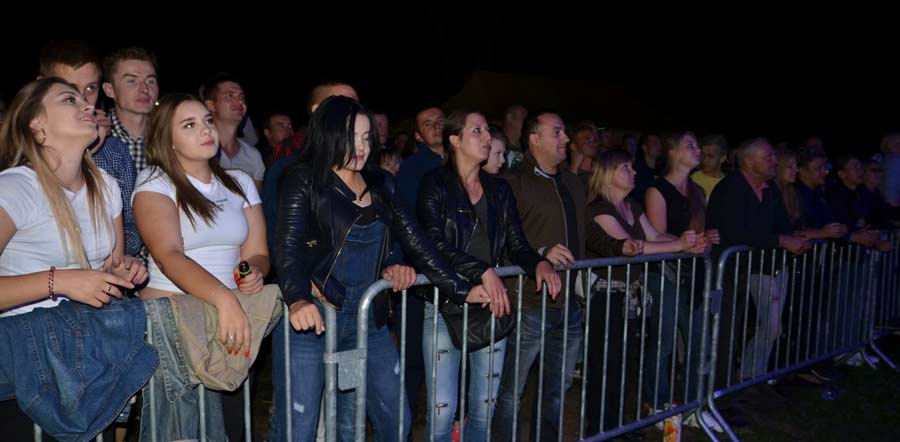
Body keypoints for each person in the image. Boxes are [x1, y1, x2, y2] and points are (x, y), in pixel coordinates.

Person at [270, 96, 491, 441]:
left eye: (366, 138)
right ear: (329, 134)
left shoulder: (381, 182)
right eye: (352, 137)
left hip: (368, 318)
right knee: (298, 428)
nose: (361, 147)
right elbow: (287, 246)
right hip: (313, 319)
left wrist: (461, 288)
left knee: (396, 422)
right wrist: (297, 299)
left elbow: (417, 242)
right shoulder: (304, 178)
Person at [0, 77, 146, 439]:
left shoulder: (106, 186)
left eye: (86, 99)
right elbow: (70, 279)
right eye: (69, 99)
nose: (88, 105)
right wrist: (59, 281)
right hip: (23, 363)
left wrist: (122, 270)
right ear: (37, 124)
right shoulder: (15, 187)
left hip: (87, 354)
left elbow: (110, 266)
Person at [132, 94, 270, 441]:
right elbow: (168, 255)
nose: (206, 130)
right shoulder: (156, 181)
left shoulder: (239, 182)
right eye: (189, 125)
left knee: (231, 425)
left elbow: (257, 253)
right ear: (168, 140)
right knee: (180, 431)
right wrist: (223, 298)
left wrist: (250, 272)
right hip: (173, 321)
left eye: (207, 120)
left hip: (230, 321)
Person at [417, 109, 560, 441]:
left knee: (484, 408)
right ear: (455, 140)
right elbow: (432, 244)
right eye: (477, 130)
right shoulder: (434, 183)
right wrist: (482, 270)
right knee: (442, 411)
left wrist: (538, 262)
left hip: (490, 305)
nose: (486, 137)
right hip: (444, 303)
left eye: (486, 130)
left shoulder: (499, 190)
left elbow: (516, 244)